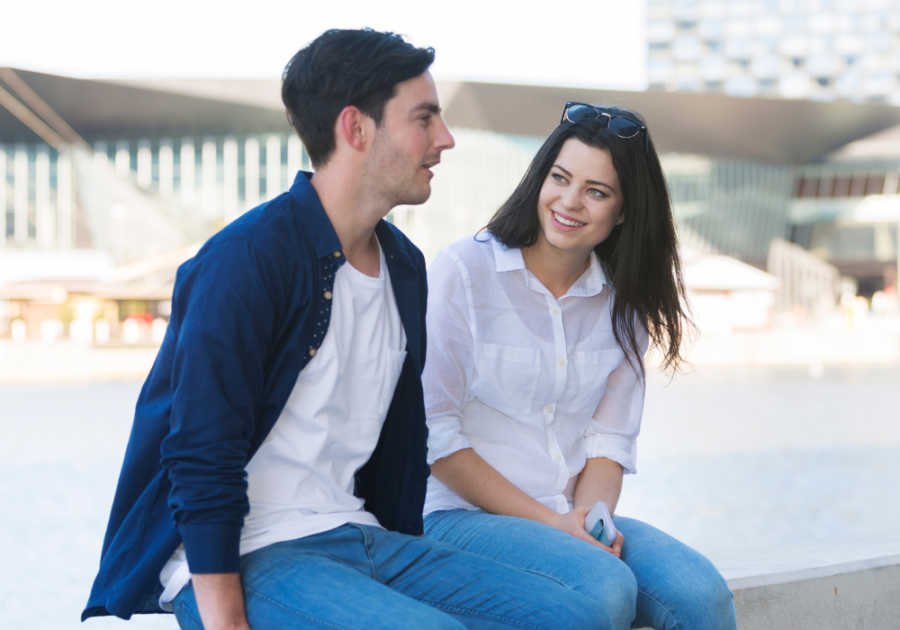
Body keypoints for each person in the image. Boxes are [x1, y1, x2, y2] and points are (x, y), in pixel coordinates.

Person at [81, 33, 614, 630]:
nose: (445, 139)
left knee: (576, 616)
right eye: (424, 118)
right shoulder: (247, 259)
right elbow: (200, 457)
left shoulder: (405, 267)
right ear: (356, 128)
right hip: (253, 552)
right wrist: (226, 623)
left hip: (357, 535)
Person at [420, 103, 738, 630]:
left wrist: (590, 523)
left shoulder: (625, 300)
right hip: (459, 517)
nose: (569, 202)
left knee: (701, 595)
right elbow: (435, 436)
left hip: (567, 515)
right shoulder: (465, 271)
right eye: (560, 179)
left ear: (624, 211)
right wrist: (555, 524)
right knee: (602, 589)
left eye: (597, 191)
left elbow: (607, 444)